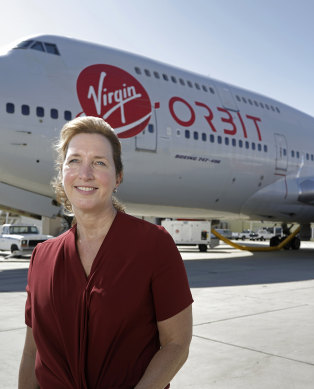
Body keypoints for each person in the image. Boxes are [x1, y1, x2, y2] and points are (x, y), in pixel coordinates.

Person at [18, 116, 194, 389]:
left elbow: (176, 344)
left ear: (118, 177)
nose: (85, 174)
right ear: (62, 172)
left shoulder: (154, 245)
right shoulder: (42, 256)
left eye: (99, 162)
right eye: (74, 160)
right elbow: (32, 352)